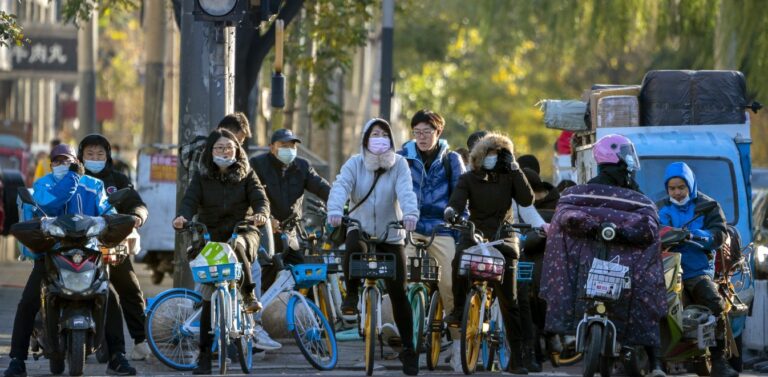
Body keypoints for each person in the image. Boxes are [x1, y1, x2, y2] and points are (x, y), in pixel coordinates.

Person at [4, 144, 137, 377]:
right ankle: (17, 360)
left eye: (68, 161)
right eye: (57, 161)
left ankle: (118, 357)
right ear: (51, 164)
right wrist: (72, 178)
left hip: (89, 252)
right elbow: (47, 204)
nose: (62, 165)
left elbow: (107, 209)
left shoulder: (94, 185)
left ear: (76, 161)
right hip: (52, 252)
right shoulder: (43, 184)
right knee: (28, 302)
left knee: (111, 298)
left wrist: (114, 221)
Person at [541, 134, 667, 377]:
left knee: (649, 291)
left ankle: (656, 363)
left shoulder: (631, 192)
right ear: (618, 158)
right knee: (647, 291)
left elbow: (647, 225)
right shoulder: (588, 193)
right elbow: (567, 216)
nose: (630, 160)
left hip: (620, 269)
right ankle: (654, 363)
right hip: (596, 265)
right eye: (627, 155)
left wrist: (614, 228)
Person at [326, 118, 420, 375]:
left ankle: (409, 351)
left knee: (399, 291)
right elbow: (340, 186)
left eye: (383, 134)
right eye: (373, 134)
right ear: (365, 139)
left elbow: (406, 191)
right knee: (354, 245)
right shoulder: (354, 164)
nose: (379, 138)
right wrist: (335, 210)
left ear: (391, 139)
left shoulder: (400, 164)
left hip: (391, 233)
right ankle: (352, 294)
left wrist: (410, 214)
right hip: (361, 227)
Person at [173, 129, 269, 375]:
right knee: (207, 296)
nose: (224, 151)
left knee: (236, 247)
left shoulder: (248, 174)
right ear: (210, 152)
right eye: (219, 148)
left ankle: (248, 295)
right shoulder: (201, 176)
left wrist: (260, 213)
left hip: (243, 231)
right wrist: (182, 217)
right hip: (210, 236)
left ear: (237, 150)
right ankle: (204, 356)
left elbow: (260, 199)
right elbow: (189, 200)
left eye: (229, 147)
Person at [444, 131, 535, 374]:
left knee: (510, 301)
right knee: (459, 260)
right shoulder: (468, 178)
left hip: (503, 237)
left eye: (500, 154)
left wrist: (515, 168)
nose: (495, 158)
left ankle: (517, 359)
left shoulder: (510, 177)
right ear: (480, 155)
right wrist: (451, 213)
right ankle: (458, 309)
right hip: (474, 234)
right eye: (491, 153)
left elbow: (527, 199)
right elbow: (456, 202)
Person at [249, 128, 331, 351]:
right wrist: (267, 220)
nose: (289, 150)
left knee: (306, 277)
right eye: (284, 146)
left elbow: (322, 188)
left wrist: (340, 203)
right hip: (264, 233)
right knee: (263, 283)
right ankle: (256, 332)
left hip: (291, 234)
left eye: (292, 146)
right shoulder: (257, 165)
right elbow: (248, 196)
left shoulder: (302, 167)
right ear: (272, 147)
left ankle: (313, 330)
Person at [397, 109, 466, 371]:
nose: (422, 137)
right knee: (402, 281)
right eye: (417, 132)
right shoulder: (402, 158)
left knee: (450, 283)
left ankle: (458, 344)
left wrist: (458, 223)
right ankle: (403, 337)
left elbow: (461, 196)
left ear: (438, 132)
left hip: (442, 228)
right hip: (410, 227)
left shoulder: (452, 160)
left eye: (427, 132)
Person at [657, 162, 739, 377]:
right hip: (665, 269)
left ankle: (719, 360)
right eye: (672, 188)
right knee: (648, 303)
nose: (677, 192)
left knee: (714, 302)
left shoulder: (708, 206)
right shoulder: (660, 207)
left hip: (696, 270)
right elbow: (653, 229)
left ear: (690, 185)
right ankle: (653, 360)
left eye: (681, 187)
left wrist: (698, 235)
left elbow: (719, 234)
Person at [77, 134, 152, 361]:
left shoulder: (118, 179)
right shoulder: (74, 179)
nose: (95, 158)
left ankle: (141, 340)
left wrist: (137, 216)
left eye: (100, 154)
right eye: (90, 154)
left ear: (108, 156)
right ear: (81, 156)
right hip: (79, 247)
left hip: (112, 245)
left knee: (130, 288)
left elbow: (137, 203)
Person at [180, 112, 252, 185]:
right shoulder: (201, 151)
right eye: (236, 141)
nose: (237, 147)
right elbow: (195, 187)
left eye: (240, 143)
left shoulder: (237, 158)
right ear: (225, 132)